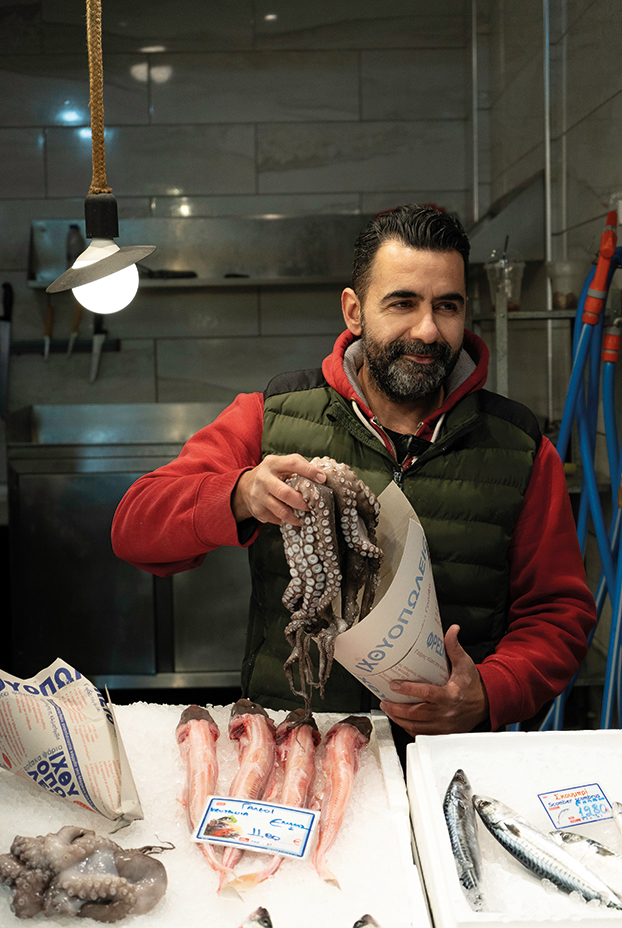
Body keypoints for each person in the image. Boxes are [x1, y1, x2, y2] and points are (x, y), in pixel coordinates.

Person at [112, 204, 596, 740]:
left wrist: (488, 691)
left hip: (445, 754)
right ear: (354, 311)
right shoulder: (269, 416)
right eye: (403, 303)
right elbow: (135, 527)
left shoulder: (520, 447)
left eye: (447, 306)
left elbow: (559, 614)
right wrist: (240, 494)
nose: (428, 330)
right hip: (297, 744)